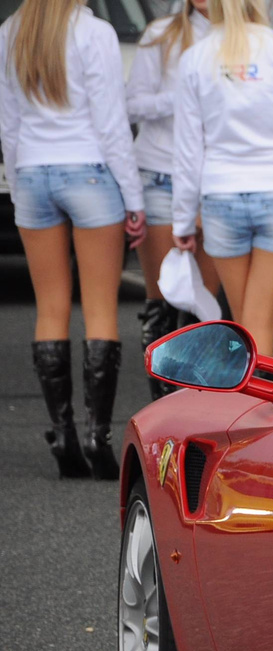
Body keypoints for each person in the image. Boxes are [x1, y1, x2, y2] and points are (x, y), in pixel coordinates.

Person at [0, 0, 146, 480]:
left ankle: (61, 431)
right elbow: (110, 126)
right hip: (89, 174)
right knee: (101, 307)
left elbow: (9, 125)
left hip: (32, 173)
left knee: (50, 309)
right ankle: (95, 435)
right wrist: (133, 196)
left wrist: (21, 190)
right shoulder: (93, 32)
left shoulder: (12, 31)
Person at [171, 0, 273, 354]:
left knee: (245, 323)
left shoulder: (195, 60)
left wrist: (183, 220)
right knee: (259, 323)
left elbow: (188, 150)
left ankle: (245, 407)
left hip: (221, 199)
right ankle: (260, 409)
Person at [126, 0, 219, 397]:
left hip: (216, 183)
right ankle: (161, 411)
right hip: (161, 175)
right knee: (163, 300)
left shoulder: (244, 39)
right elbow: (132, 104)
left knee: (206, 308)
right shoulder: (160, 34)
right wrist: (180, 96)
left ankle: (195, 409)